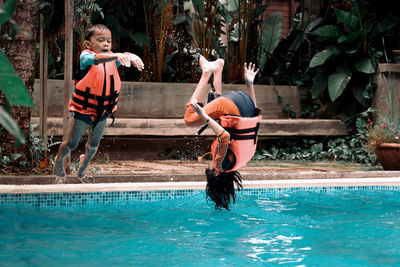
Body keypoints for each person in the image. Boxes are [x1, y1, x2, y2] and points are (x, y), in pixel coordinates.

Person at [53, 24, 144, 183]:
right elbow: (96, 59)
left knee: (93, 145)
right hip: (84, 109)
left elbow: (123, 56)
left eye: (108, 41)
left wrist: (131, 56)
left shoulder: (113, 60)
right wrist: (117, 55)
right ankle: (59, 160)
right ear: (88, 44)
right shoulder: (85, 57)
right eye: (101, 40)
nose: (106, 44)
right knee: (72, 144)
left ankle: (83, 164)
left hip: (103, 110)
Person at [184, 56, 262, 210]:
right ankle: (206, 72)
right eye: (209, 167)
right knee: (189, 119)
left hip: (245, 101)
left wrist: (249, 84)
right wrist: (203, 116)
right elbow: (224, 136)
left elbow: (254, 119)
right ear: (217, 174)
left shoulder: (243, 159)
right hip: (231, 104)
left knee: (217, 116)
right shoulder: (221, 165)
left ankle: (218, 69)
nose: (211, 163)